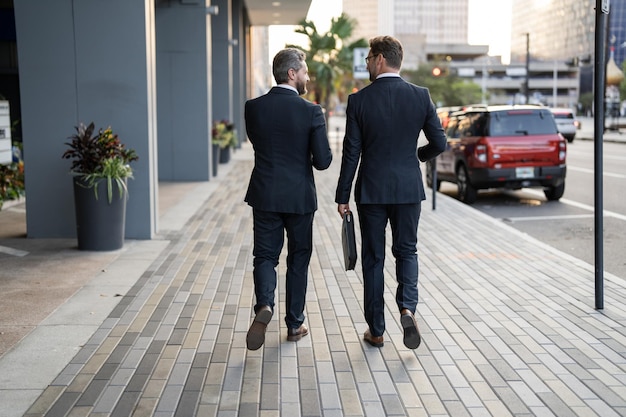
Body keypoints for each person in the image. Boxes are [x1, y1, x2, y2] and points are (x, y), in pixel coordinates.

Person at [335, 36, 446, 349]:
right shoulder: (421, 96)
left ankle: (377, 330)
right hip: (409, 189)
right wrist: (416, 158)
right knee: (407, 250)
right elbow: (439, 143)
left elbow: (351, 152)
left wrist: (342, 196)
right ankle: (407, 308)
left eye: (370, 58)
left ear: (380, 59)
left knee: (373, 259)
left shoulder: (359, 101)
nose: (368, 63)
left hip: (371, 191)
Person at [244, 48, 333, 351]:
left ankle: (264, 304)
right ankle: (295, 323)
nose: (308, 77)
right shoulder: (311, 111)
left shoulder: (253, 107)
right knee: (298, 260)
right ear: (292, 73)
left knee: (265, 256)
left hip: (265, 193)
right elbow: (322, 162)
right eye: (305, 71)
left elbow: (260, 144)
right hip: (299, 197)